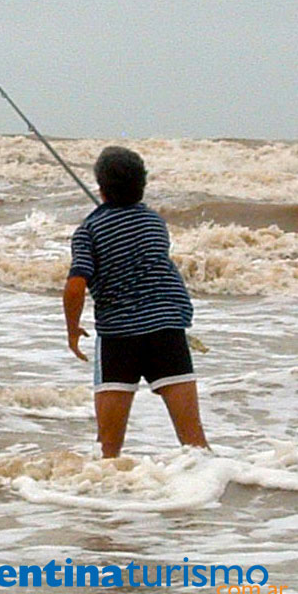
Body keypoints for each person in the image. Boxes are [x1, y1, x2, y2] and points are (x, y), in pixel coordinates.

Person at [63, 145, 209, 458]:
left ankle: (111, 502)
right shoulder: (155, 223)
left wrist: (72, 329)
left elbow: (76, 285)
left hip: (119, 338)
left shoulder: (88, 231)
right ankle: (208, 496)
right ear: (142, 185)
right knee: (195, 444)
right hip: (167, 331)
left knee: (108, 452)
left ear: (100, 188)